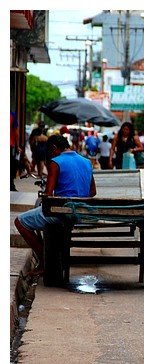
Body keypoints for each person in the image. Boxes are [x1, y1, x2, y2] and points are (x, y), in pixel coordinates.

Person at [14, 134, 96, 277]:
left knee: (20, 221)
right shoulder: (87, 162)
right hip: (82, 212)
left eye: (50, 152)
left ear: (53, 148)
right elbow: (93, 191)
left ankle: (44, 261)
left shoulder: (56, 162)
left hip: (61, 212)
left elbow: (49, 194)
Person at [10, 111, 20, 191]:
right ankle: (10, 184)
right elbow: (15, 130)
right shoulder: (11, 114)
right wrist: (17, 145)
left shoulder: (12, 115)